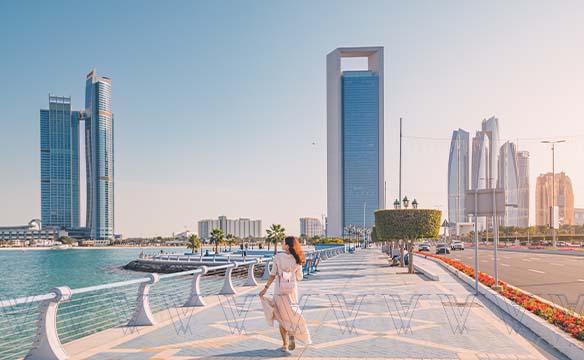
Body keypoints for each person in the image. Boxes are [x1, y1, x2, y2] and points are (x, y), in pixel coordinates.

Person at [259, 236, 311, 352]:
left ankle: (285, 344)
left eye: (283, 242)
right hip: (292, 292)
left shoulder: (277, 257)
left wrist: (265, 288)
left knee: (281, 317)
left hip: (279, 292)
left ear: (287, 246)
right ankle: (292, 336)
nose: (281, 244)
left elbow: (272, 274)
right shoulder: (297, 258)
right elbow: (300, 277)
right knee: (291, 316)